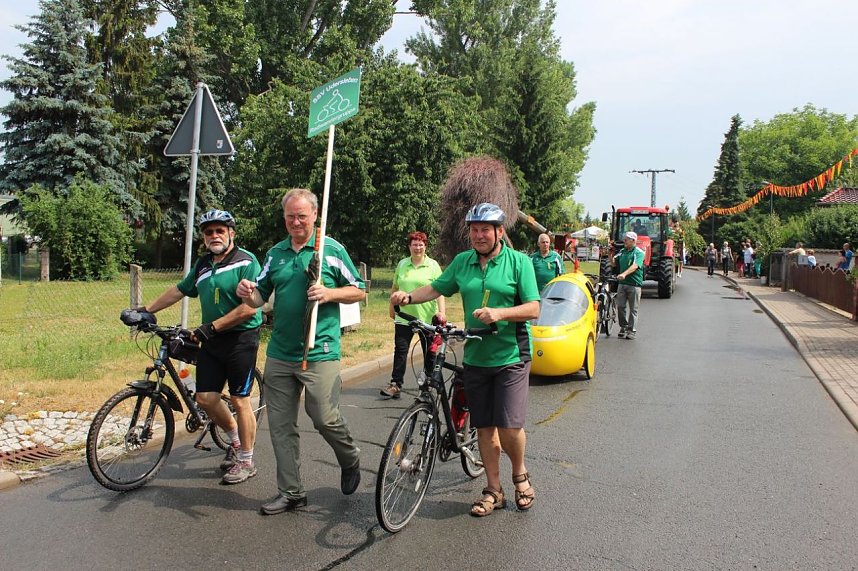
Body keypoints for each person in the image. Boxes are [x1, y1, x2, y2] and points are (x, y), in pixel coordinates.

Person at [390, 202, 540, 517]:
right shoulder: (463, 262)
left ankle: (520, 475)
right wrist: (407, 296)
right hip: (475, 355)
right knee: (484, 428)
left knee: (509, 426)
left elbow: (533, 308)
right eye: (474, 230)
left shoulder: (518, 263)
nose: (478, 235)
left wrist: (500, 313)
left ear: (500, 231)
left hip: (511, 354)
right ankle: (493, 489)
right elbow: (435, 288)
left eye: (485, 229)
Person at [236, 188, 365, 515]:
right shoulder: (275, 253)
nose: (296, 222)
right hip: (280, 353)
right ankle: (291, 492)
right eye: (290, 216)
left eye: (302, 216)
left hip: (319, 350)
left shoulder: (330, 250)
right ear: (284, 218)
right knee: (280, 426)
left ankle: (350, 457)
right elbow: (259, 297)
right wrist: (246, 293)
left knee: (323, 416)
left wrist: (329, 292)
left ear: (314, 216)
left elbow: (359, 291)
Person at [139, 209, 263, 485]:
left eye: (220, 230)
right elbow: (179, 290)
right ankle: (233, 438)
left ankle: (246, 461)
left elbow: (249, 308)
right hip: (211, 339)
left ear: (231, 233)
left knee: (240, 400)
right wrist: (145, 310)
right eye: (209, 232)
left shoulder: (247, 261)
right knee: (205, 398)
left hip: (241, 339)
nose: (214, 236)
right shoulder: (203, 265)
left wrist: (212, 327)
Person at [380, 231, 445, 399]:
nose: (418, 247)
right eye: (414, 244)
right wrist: (391, 308)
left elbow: (439, 291)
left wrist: (441, 312)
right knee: (400, 351)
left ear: (425, 246)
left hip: (426, 317)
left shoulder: (433, 266)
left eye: (421, 244)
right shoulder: (402, 264)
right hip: (404, 317)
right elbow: (395, 288)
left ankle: (427, 384)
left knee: (429, 352)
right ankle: (395, 384)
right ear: (409, 247)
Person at [613, 231, 645, 339]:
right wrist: (608, 254)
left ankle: (631, 330)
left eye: (627, 239)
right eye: (624, 239)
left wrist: (624, 274)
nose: (624, 241)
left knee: (633, 309)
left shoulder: (639, 253)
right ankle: (624, 326)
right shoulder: (622, 251)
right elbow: (613, 262)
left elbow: (635, 266)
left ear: (633, 241)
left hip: (634, 284)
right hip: (622, 284)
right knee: (620, 306)